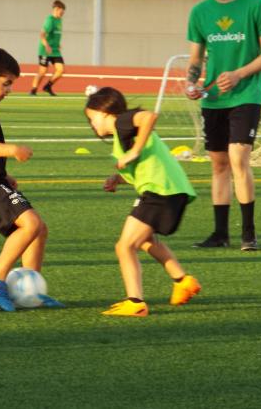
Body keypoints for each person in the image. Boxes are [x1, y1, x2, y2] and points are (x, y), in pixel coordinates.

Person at [0, 48, 63, 312]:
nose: (9, 90)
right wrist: (12, 150)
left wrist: (3, 173)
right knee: (30, 224)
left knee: (38, 229)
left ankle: (32, 288)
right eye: (5, 84)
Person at [185, 0, 261, 251]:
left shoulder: (256, 5)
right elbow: (196, 59)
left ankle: (248, 233)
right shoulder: (199, 12)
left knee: (239, 159)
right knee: (219, 164)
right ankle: (220, 234)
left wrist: (238, 74)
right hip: (213, 99)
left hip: (246, 95)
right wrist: (191, 82)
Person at [84, 87, 201, 317]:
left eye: (92, 117)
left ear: (105, 112)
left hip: (161, 191)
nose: (91, 124)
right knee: (146, 241)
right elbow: (144, 166)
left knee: (125, 246)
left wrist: (134, 151)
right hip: (168, 190)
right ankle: (183, 280)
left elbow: (150, 116)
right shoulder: (122, 134)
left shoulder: (122, 121)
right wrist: (118, 178)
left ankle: (135, 302)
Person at [30, 0, 65, 97]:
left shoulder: (59, 20)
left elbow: (56, 34)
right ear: (56, 9)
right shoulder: (50, 20)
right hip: (45, 50)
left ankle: (48, 86)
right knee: (43, 71)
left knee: (61, 70)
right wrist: (46, 45)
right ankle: (33, 89)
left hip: (55, 51)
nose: (62, 14)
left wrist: (58, 44)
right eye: (61, 12)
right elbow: (42, 35)